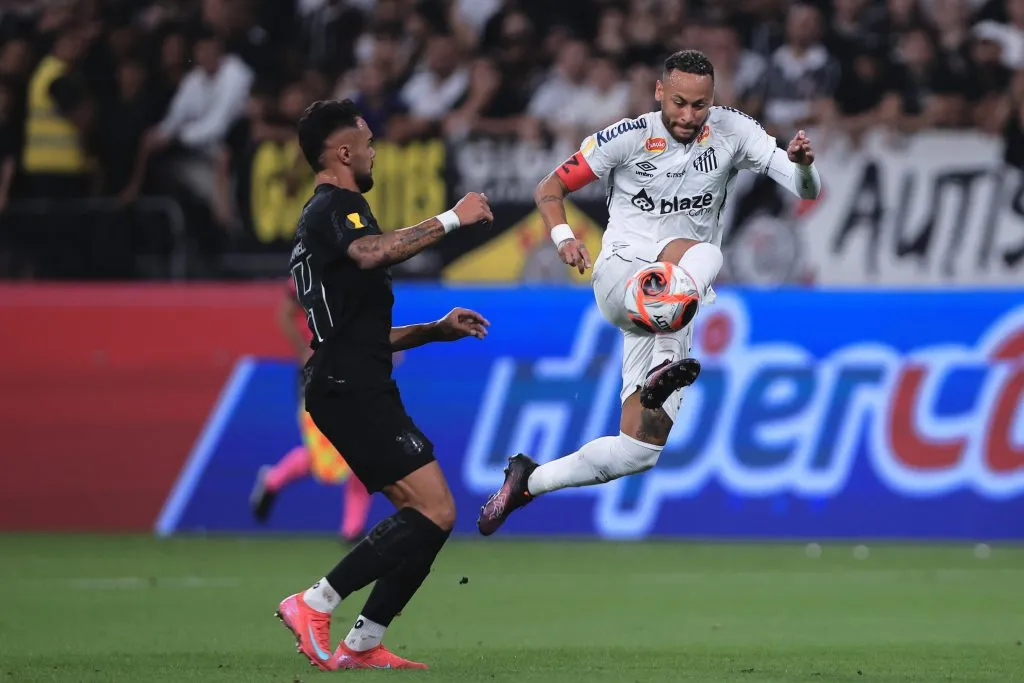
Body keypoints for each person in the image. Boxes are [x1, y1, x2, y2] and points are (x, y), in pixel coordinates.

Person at [476, 49, 821, 535]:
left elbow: (805, 188)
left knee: (640, 449)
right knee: (707, 254)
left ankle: (529, 480)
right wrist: (564, 237)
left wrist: (803, 165)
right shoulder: (628, 137)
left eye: (699, 105)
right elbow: (549, 187)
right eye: (678, 102)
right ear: (659, 91)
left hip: (673, 301)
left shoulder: (732, 131)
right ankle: (664, 362)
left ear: (713, 99)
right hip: (621, 277)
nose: (688, 115)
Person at [275, 98, 493, 671]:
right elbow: (372, 252)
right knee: (436, 510)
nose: (375, 153)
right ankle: (314, 602)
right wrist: (451, 219)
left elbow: (359, 330)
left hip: (347, 376)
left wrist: (433, 331)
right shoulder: (336, 207)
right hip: (350, 383)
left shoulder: (322, 217)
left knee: (428, 515)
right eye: (368, 143)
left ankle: (363, 643)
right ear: (343, 153)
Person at [248, 277, 373, 545]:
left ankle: (352, 529)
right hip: (316, 376)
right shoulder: (307, 274)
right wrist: (303, 353)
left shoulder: (358, 269)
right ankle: (274, 479)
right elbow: (284, 315)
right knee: (328, 462)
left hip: (351, 372)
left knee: (364, 447)